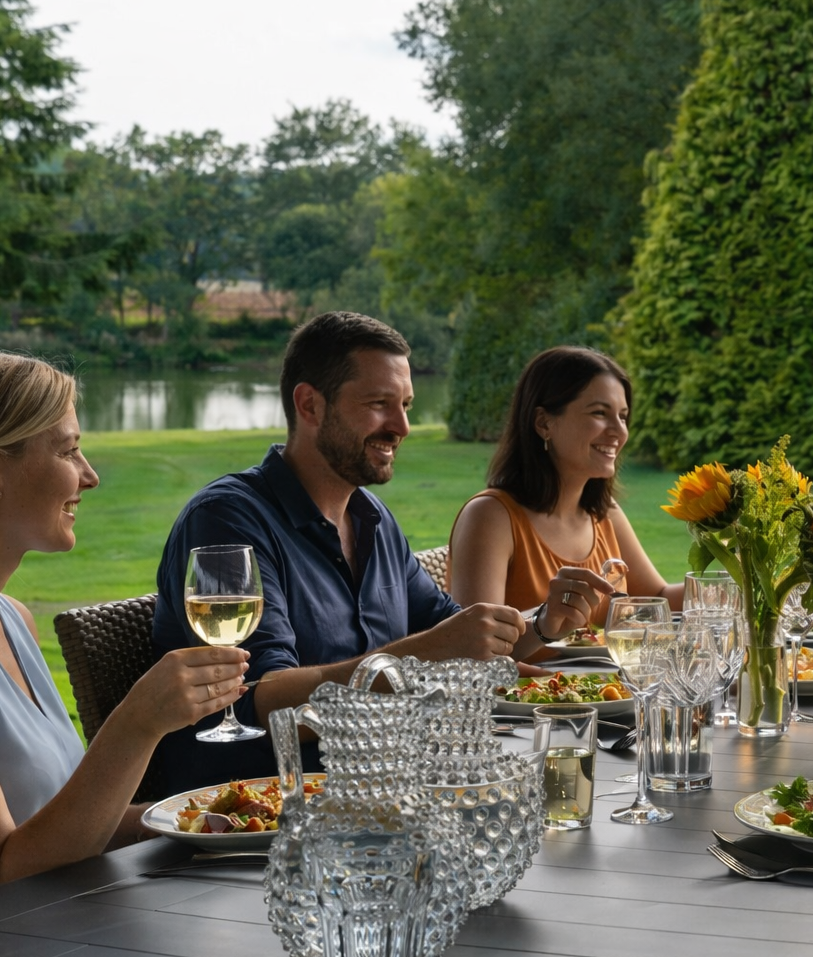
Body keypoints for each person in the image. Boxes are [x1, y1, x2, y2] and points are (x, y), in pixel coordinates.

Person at [151, 313, 607, 792]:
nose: (402, 426)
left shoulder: (371, 518)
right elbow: (260, 703)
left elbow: (458, 635)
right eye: (379, 404)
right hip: (258, 814)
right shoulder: (227, 519)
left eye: (406, 405)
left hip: (386, 790)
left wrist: (541, 624)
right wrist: (423, 657)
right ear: (310, 405)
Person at [0, 346, 247, 907]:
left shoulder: (12, 618)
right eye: (70, 451)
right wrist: (137, 724)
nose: (90, 476)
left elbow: (57, 830)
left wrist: (215, 810)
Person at [447, 346, 681, 662]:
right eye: (599, 413)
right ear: (544, 423)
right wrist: (545, 625)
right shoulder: (491, 517)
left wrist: (740, 581)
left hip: (611, 699)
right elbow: (475, 653)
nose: (618, 431)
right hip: (527, 707)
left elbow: (657, 599)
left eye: (623, 416)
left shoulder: (603, 513)